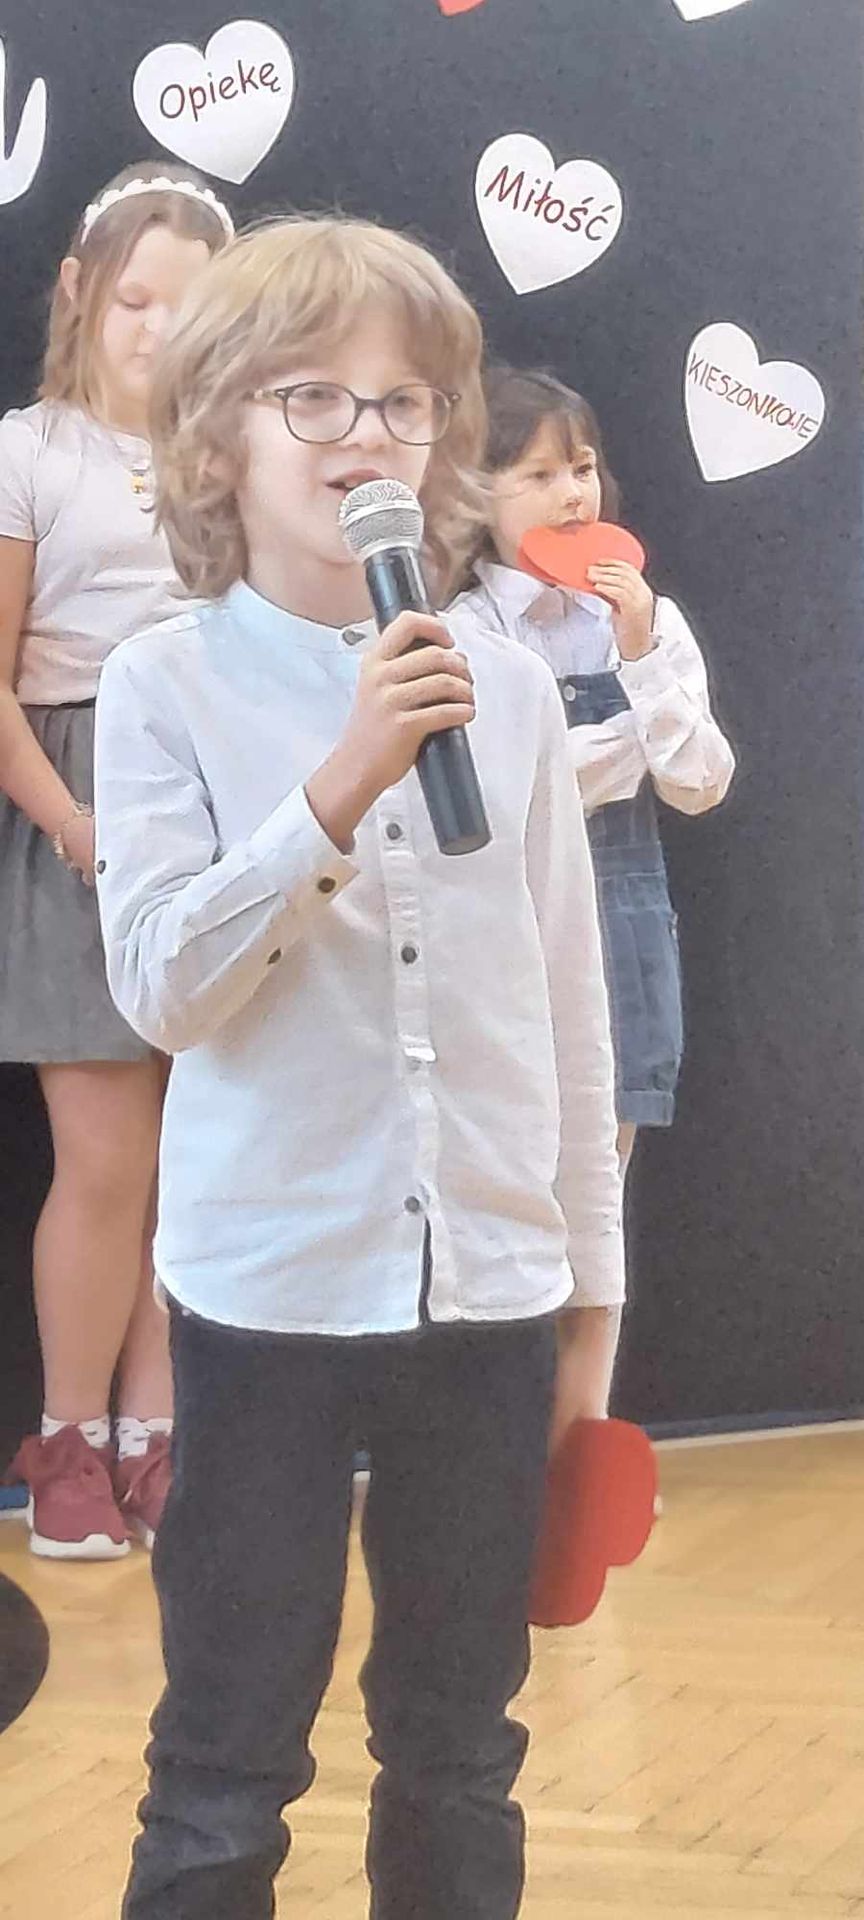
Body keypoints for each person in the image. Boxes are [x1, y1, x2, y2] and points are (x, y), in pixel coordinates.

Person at [92, 214, 625, 1920]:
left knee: (460, 1748)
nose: (363, 436)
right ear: (217, 437)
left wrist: (589, 1305)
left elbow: (565, 1004)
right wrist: (334, 787)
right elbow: (164, 989)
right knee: (222, 1772)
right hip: (267, 1295)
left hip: (486, 1293)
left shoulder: (512, 694)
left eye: (403, 402)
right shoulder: (163, 682)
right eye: (311, 397)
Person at [0, 162, 233, 1557]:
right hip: (75, 809)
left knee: (199, 1149)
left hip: (212, 804)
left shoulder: (229, 453)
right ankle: (67, 1442)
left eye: (187, 306)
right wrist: (78, 825)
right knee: (103, 1158)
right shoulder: (27, 450)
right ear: (82, 291)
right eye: (135, 297)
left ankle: (160, 1435)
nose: (157, 328)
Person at [448, 366, 735, 1450]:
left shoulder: (647, 622)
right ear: (477, 493)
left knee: (596, 1206)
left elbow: (699, 780)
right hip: (504, 939)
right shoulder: (465, 626)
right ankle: (497, 1450)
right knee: (507, 1202)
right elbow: (508, 790)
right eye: (537, 473)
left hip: (621, 926)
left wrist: (640, 655)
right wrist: (624, 746)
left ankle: (578, 1448)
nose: (573, 493)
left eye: (582, 467)